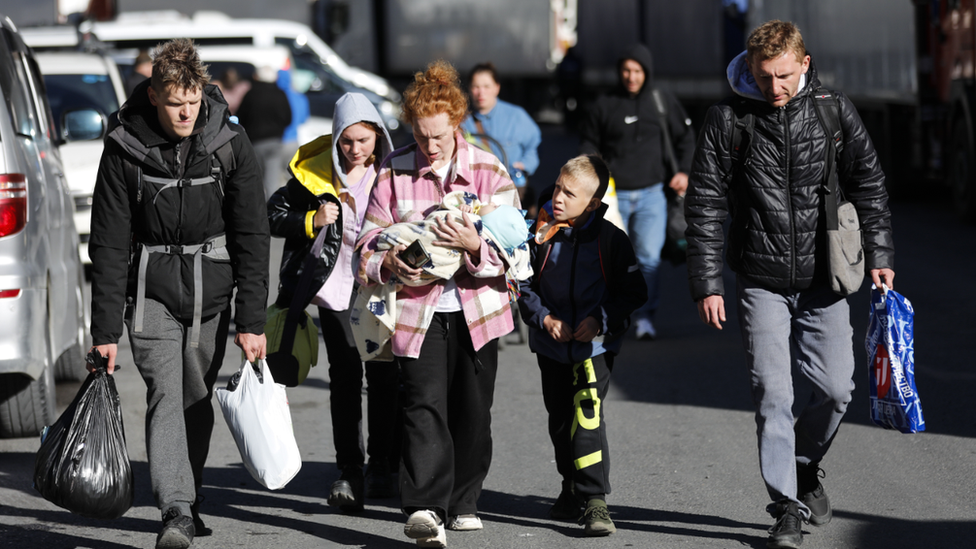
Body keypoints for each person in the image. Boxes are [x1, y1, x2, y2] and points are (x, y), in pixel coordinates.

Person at [684, 20, 895, 549]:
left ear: (804, 63)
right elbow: (706, 203)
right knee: (773, 394)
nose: (772, 88)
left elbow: (868, 181)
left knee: (837, 389)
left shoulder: (832, 110)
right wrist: (707, 282)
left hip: (826, 277)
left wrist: (881, 252)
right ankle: (786, 506)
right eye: (762, 77)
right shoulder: (727, 119)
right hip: (760, 279)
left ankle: (802, 466)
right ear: (749, 69)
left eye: (782, 76)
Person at [88, 39, 270, 549]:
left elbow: (252, 233)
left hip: (211, 288)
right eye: (173, 101)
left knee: (195, 395)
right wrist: (104, 331)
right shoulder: (124, 147)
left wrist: (251, 320)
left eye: (191, 99)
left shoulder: (228, 143)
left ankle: (190, 496)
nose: (185, 111)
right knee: (165, 392)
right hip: (151, 288)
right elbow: (107, 241)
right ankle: (175, 510)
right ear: (153, 95)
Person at [356, 60, 524, 548]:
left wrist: (475, 246)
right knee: (422, 405)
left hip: (478, 310)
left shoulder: (488, 169)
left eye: (439, 136)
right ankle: (426, 507)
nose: (430, 146)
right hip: (416, 311)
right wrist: (387, 263)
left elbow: (517, 249)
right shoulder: (392, 169)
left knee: (473, 409)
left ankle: (465, 500)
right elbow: (366, 240)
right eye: (422, 136)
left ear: (457, 124)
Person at [267, 92, 400, 513]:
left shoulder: (392, 173)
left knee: (382, 379)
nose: (356, 149)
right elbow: (272, 215)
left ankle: (383, 465)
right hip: (336, 289)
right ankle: (350, 470)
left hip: (379, 288)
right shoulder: (314, 175)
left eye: (364, 140)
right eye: (347, 140)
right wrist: (312, 219)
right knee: (344, 379)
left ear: (378, 136)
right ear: (335, 137)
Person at [517, 155, 646, 537]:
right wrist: (544, 319)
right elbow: (521, 285)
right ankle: (570, 485)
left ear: (591, 203)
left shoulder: (611, 240)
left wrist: (600, 320)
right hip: (551, 344)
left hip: (595, 348)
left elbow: (633, 292)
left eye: (569, 194)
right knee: (560, 421)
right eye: (557, 187)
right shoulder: (538, 234)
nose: (557, 197)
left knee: (586, 415)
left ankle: (595, 502)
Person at [579, 44, 695, 341]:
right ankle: (608, 316)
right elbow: (588, 144)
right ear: (620, 72)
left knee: (648, 259)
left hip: (652, 195)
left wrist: (683, 171)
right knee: (609, 259)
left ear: (647, 72)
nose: (631, 77)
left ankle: (644, 317)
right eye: (626, 71)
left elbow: (686, 138)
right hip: (612, 198)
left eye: (638, 71)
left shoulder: (661, 101)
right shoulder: (605, 104)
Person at [460, 62, 541, 211]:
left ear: (497, 87)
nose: (481, 92)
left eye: (486, 86)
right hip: (476, 194)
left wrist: (523, 165)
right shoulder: (460, 120)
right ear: (469, 90)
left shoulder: (516, 116)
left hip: (511, 190)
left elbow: (532, 148)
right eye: (476, 86)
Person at [236, 64, 292, 199]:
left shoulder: (251, 94)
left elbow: (240, 117)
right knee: (272, 180)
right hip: (275, 142)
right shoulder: (280, 94)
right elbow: (288, 118)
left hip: (255, 143)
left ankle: (258, 212)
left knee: (256, 180)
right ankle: (272, 212)